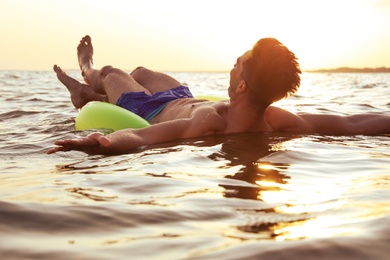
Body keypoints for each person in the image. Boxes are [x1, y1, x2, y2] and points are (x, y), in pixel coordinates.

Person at [48, 35, 390, 155]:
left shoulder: (207, 122)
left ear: (241, 86)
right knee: (142, 72)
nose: (232, 66)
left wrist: (103, 142)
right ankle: (88, 92)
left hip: (149, 108)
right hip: (181, 95)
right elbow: (351, 123)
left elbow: (141, 134)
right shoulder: (276, 118)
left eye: (236, 64)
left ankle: (87, 72)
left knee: (112, 73)